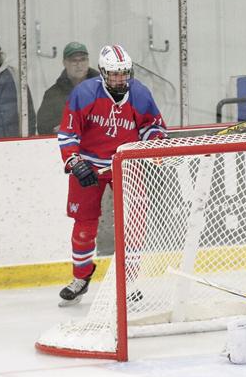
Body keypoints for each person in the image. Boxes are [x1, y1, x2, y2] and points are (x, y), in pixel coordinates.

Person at [57, 44, 167, 305]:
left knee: (134, 224)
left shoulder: (140, 94)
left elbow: (151, 127)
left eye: (124, 73)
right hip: (89, 166)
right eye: (114, 74)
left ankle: (128, 282)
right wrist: (74, 161)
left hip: (125, 164)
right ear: (103, 73)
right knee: (84, 225)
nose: (120, 79)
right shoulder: (84, 93)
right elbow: (68, 133)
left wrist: (155, 143)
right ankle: (81, 278)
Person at [37, 42, 99, 134]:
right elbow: (43, 129)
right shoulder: (52, 94)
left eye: (83, 59)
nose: (79, 64)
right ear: (65, 63)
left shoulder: (103, 89)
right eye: (74, 60)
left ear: (88, 61)